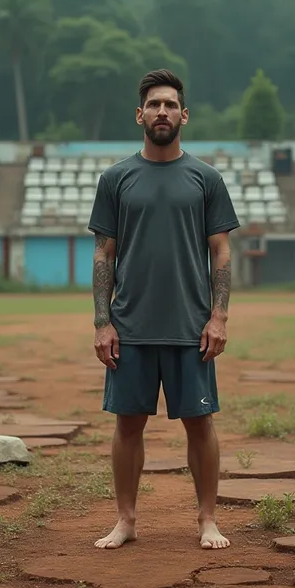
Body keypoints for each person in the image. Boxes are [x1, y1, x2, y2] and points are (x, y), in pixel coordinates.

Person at [88, 68, 239, 550]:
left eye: (170, 104)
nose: (162, 112)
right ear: (140, 114)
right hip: (130, 326)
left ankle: (207, 520)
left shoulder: (205, 178)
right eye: (154, 104)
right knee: (128, 423)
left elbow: (221, 251)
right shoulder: (116, 179)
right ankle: (126, 521)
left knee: (200, 422)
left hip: (190, 326)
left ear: (184, 115)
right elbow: (104, 254)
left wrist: (218, 317)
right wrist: (102, 321)